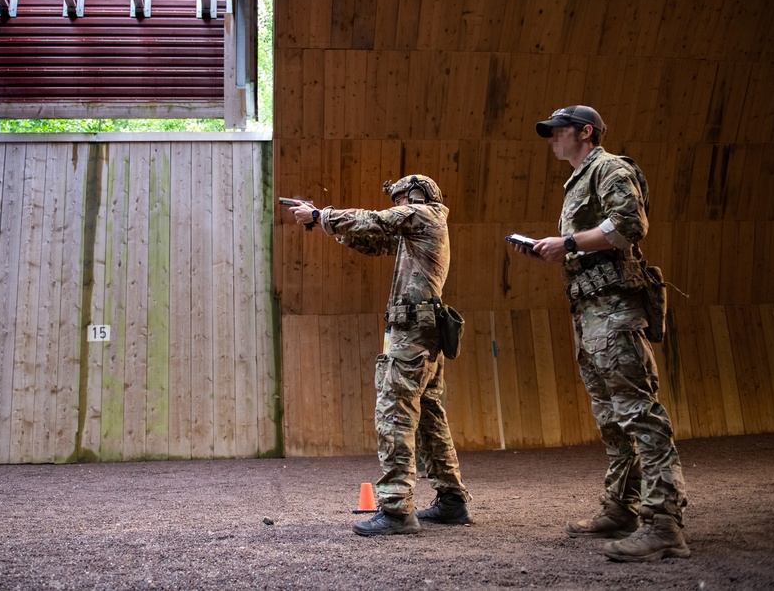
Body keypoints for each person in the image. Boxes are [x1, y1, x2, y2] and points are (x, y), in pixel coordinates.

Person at [510, 105, 690, 562]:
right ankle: (622, 509)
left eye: (558, 131)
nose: (551, 138)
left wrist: (567, 242)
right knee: (611, 418)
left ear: (585, 132)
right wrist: (553, 249)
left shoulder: (608, 168)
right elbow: (596, 238)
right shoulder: (577, 182)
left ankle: (664, 523)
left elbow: (630, 226)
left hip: (614, 312)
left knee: (638, 413)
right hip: (590, 312)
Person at [284, 175, 472, 536]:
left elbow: (375, 219)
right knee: (430, 417)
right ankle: (451, 501)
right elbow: (372, 240)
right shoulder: (417, 230)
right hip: (421, 332)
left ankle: (397, 509)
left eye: (401, 199)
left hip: (413, 335)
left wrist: (321, 214)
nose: (397, 205)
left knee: (394, 414)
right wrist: (323, 223)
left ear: (417, 196)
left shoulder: (426, 215)